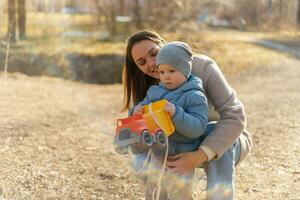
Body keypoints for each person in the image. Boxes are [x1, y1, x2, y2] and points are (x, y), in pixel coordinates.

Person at [123, 30, 252, 200]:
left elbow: (235, 115)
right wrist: (137, 126)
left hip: (225, 144)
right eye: (142, 62)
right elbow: (137, 145)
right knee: (150, 153)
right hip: (180, 146)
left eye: (154, 53)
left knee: (214, 129)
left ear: (163, 44)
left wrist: (199, 156)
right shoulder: (151, 90)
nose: (152, 63)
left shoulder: (202, 67)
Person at [132, 41, 208, 199]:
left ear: (185, 69)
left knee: (179, 193)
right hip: (158, 152)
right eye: (161, 72)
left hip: (181, 157)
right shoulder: (154, 92)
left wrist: (176, 113)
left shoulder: (195, 96)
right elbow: (142, 107)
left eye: (172, 71)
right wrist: (137, 110)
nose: (166, 77)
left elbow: (198, 128)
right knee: (154, 191)